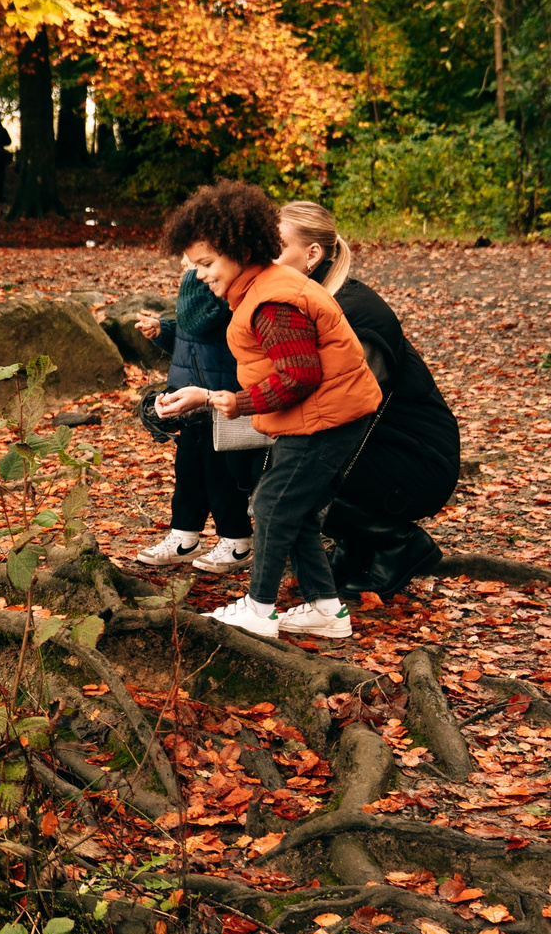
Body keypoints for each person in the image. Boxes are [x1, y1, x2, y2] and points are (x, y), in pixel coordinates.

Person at [152, 181, 383, 640]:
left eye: (206, 264)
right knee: (288, 508)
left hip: (329, 419)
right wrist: (212, 396)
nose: (199, 275)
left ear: (238, 249)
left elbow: (299, 376)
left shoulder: (273, 300)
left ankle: (259, 609)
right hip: (320, 415)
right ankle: (326, 611)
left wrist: (238, 403)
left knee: (273, 505)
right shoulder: (262, 289)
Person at [277, 200, 459, 600]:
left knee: (286, 463)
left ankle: (400, 544)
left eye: (276, 247)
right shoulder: (308, 303)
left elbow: (341, 409)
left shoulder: (355, 313)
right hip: (378, 451)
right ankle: (357, 546)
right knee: (267, 456)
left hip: (416, 462)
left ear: (312, 254)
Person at [130, 268, 255, 574]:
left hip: (220, 396)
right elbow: (189, 338)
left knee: (222, 475)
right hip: (189, 398)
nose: (187, 263)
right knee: (188, 472)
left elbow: (201, 324)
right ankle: (184, 537)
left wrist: (191, 284)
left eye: (194, 257)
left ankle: (238, 540)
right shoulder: (197, 291)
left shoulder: (220, 291)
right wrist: (163, 331)